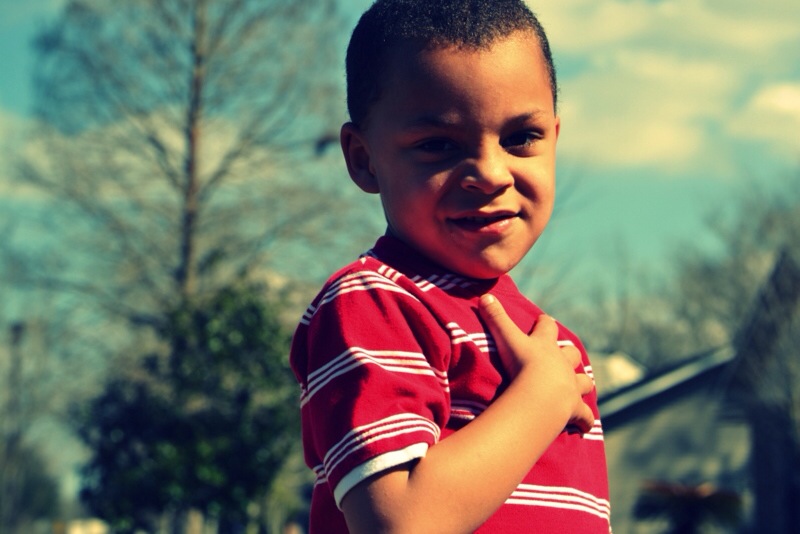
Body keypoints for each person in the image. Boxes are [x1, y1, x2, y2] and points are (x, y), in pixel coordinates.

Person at [289, 1, 611, 532]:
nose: (489, 173)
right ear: (364, 159)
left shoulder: (551, 346)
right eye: (437, 145)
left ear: (555, 137)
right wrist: (539, 399)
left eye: (520, 138)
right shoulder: (375, 302)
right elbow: (399, 521)